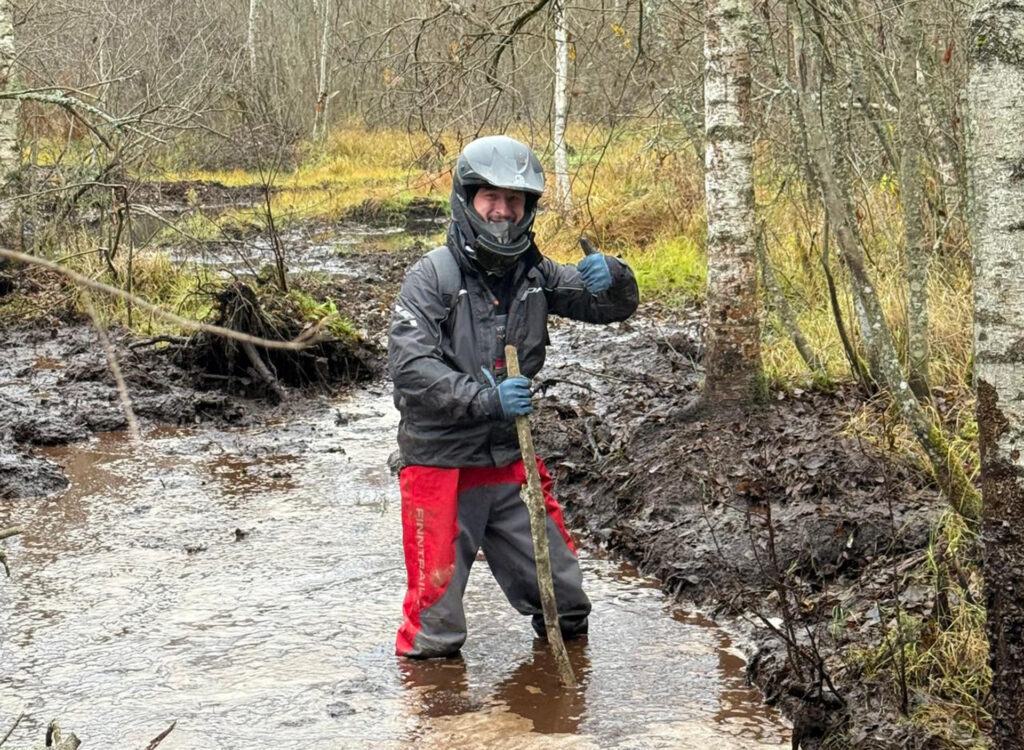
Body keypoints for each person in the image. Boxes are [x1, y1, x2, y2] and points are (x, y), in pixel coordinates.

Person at [388, 135, 639, 659]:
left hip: (508, 460)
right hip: (439, 464)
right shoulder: (432, 276)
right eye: (490, 198)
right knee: (435, 636)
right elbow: (411, 369)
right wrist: (485, 399)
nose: (501, 211)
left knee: (565, 611)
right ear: (468, 198)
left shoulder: (535, 273)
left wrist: (614, 277)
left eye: (514, 200)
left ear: (527, 208)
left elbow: (611, 308)